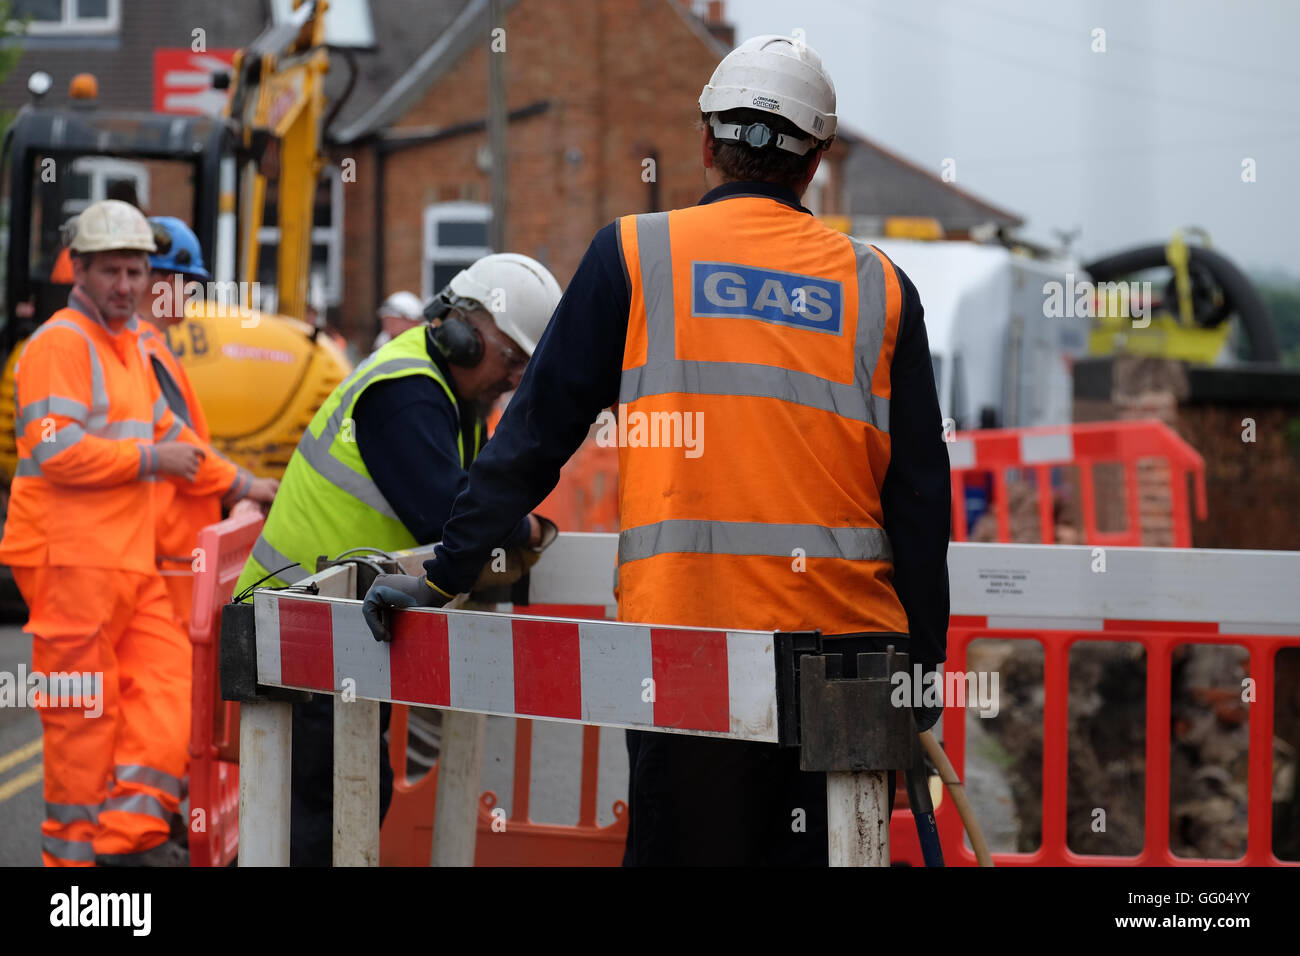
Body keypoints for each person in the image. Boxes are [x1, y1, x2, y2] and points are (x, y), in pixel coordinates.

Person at [362, 35, 952, 866]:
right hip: (848, 659)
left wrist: (443, 572)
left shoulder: (636, 255)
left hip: (685, 645)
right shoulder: (881, 288)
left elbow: (534, 435)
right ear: (815, 162)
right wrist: (921, 669)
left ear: (708, 143)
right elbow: (922, 500)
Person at [233, 252, 563, 866]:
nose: (514, 378)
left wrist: (508, 520)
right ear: (463, 331)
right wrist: (523, 526)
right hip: (293, 629)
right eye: (510, 358)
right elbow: (454, 518)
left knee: (341, 800)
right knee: (321, 812)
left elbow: (481, 499)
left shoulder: (451, 398)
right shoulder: (406, 393)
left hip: (333, 627)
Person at [0, 199, 226, 866]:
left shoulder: (126, 345)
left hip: (124, 563)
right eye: (111, 272)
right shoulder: (60, 345)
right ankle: (74, 870)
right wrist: (153, 462)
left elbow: (171, 434)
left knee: (168, 699)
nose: (126, 285)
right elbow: (52, 450)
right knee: (82, 724)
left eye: (135, 270)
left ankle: (127, 839)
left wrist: (243, 485)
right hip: (70, 562)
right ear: (81, 271)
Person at [137, 216, 279, 628]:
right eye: (189, 283)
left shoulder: (151, 347)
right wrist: (245, 484)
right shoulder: (146, 350)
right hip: (167, 550)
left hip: (170, 545)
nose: (192, 296)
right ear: (161, 280)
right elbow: (179, 443)